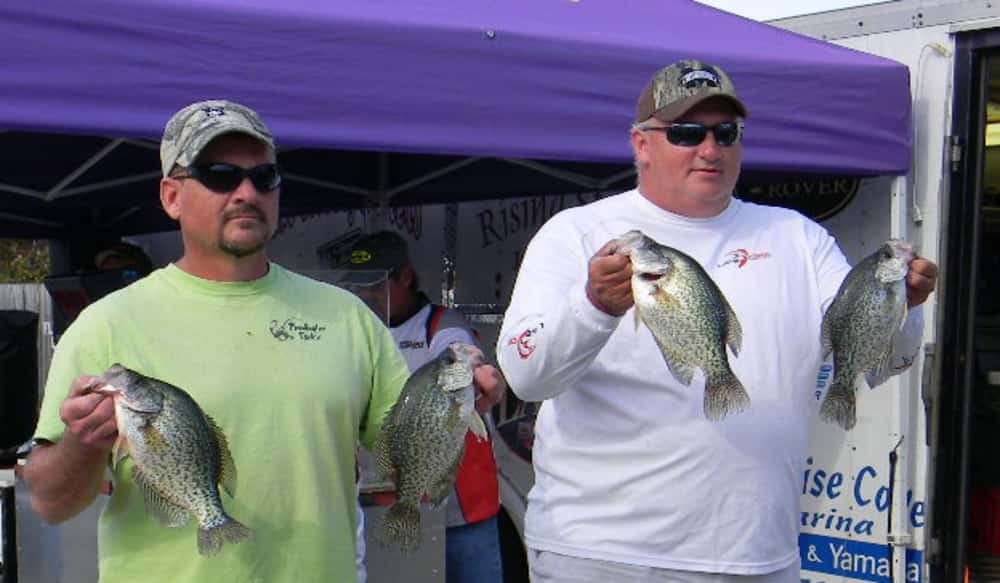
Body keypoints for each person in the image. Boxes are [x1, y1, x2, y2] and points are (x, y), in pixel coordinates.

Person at [495, 60, 939, 583]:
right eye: (686, 133)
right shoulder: (576, 233)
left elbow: (878, 360)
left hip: (761, 555)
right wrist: (594, 305)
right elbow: (526, 374)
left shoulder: (797, 236)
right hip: (605, 555)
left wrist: (903, 305)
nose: (710, 149)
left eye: (726, 133)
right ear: (641, 144)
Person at [22, 100, 411, 583]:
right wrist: (81, 445)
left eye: (264, 177)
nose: (246, 192)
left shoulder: (348, 317)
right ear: (171, 196)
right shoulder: (106, 325)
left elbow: (409, 453)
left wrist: (458, 399)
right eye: (220, 174)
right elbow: (50, 503)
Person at [340, 230, 506, 583]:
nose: (367, 295)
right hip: (396, 493)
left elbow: (461, 352)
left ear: (406, 278)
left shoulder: (443, 325)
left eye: (376, 284)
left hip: (463, 506)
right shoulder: (360, 330)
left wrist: (474, 371)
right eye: (359, 287)